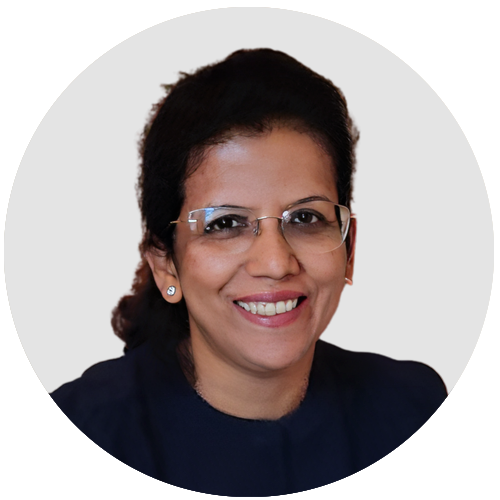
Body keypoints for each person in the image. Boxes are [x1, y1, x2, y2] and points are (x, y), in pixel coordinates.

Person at [50, 48, 447, 494]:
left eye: (306, 218)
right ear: (165, 264)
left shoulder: (413, 409)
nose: (275, 263)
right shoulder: (89, 426)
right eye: (225, 224)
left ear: (349, 247)